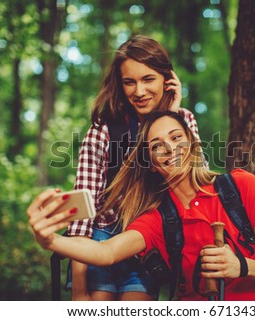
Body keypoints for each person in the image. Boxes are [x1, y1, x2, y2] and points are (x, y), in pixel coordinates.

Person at [28, 111, 255, 301]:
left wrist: (241, 265)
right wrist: (49, 240)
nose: (170, 148)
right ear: (150, 163)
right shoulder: (158, 218)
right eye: (157, 146)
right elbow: (106, 252)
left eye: (176, 137)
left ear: (193, 145)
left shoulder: (242, 185)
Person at [67, 35, 204, 301]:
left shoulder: (183, 120)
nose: (139, 92)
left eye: (148, 79)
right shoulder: (103, 129)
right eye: (129, 82)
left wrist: (170, 118)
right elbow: (82, 211)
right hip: (101, 238)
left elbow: (196, 184)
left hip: (146, 242)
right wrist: (79, 287)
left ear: (167, 80)